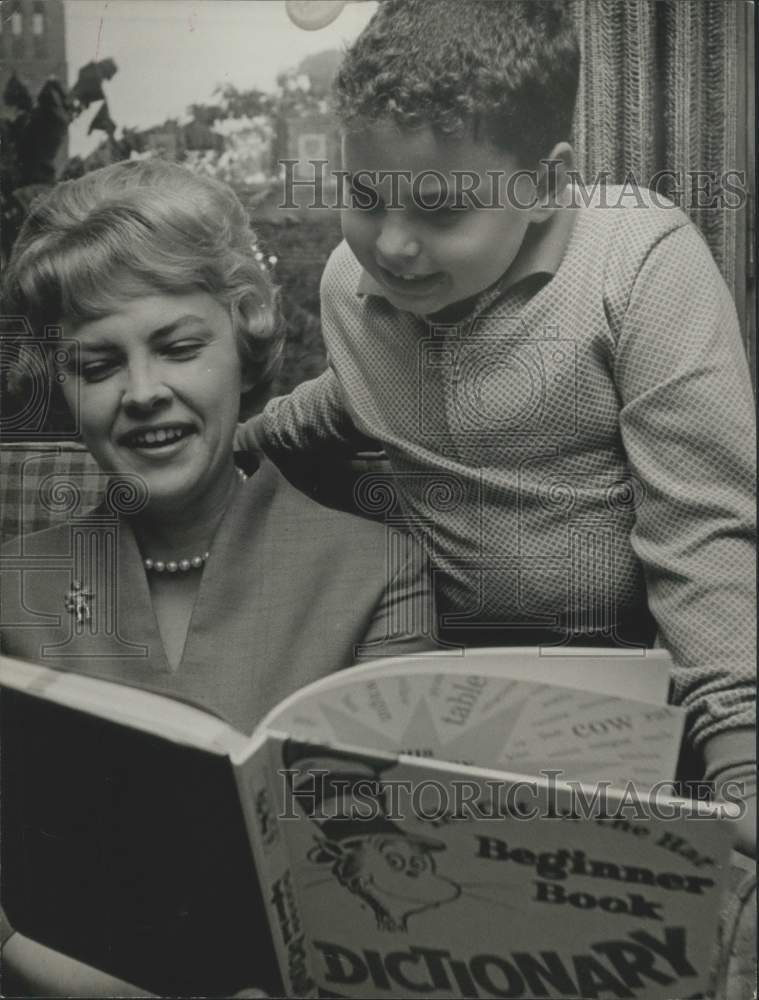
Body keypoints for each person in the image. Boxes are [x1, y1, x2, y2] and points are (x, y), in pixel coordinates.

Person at [235, 0, 756, 857]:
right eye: (365, 197)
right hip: (436, 690)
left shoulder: (642, 264)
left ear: (545, 185)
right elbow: (343, 400)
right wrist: (227, 446)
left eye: (441, 212)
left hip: (637, 690)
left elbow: (702, 529)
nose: (393, 246)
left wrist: (738, 763)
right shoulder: (349, 285)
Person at [0, 158, 433, 996]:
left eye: (178, 347)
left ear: (244, 339)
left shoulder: (380, 575)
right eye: (97, 366)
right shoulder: (10, 585)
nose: (143, 393)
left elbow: (391, 876)